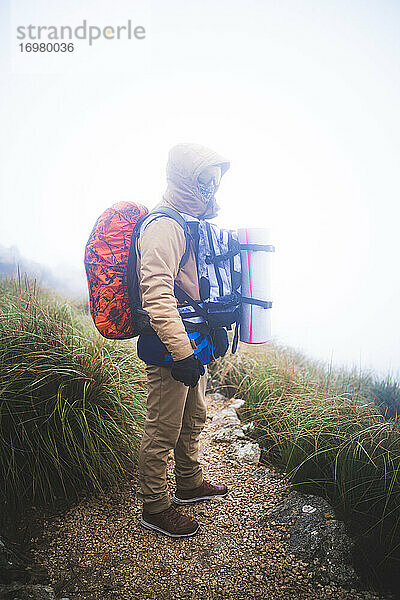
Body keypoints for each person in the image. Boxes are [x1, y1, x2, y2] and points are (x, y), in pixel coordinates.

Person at [136, 143, 231, 538]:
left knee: (193, 419)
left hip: (194, 341)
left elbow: (193, 286)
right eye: (203, 181)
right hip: (171, 348)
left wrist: (214, 330)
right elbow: (156, 294)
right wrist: (181, 353)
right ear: (184, 180)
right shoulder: (164, 226)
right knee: (162, 429)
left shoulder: (188, 222)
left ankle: (189, 484)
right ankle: (156, 508)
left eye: (214, 181)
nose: (211, 189)